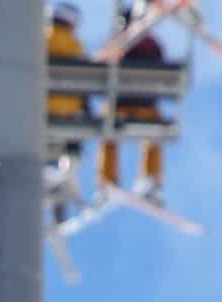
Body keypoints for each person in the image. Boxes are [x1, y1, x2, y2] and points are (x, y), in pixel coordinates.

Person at [100, 2, 169, 199]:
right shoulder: (154, 46)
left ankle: (107, 179)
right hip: (146, 109)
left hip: (119, 107)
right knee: (155, 134)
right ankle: (150, 179)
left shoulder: (117, 44)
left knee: (107, 132)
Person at [46, 4, 95, 226]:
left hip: (40, 110)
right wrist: (87, 111)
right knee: (71, 145)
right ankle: (63, 185)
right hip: (68, 112)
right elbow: (86, 82)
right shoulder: (76, 46)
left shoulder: (39, 39)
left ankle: (56, 188)